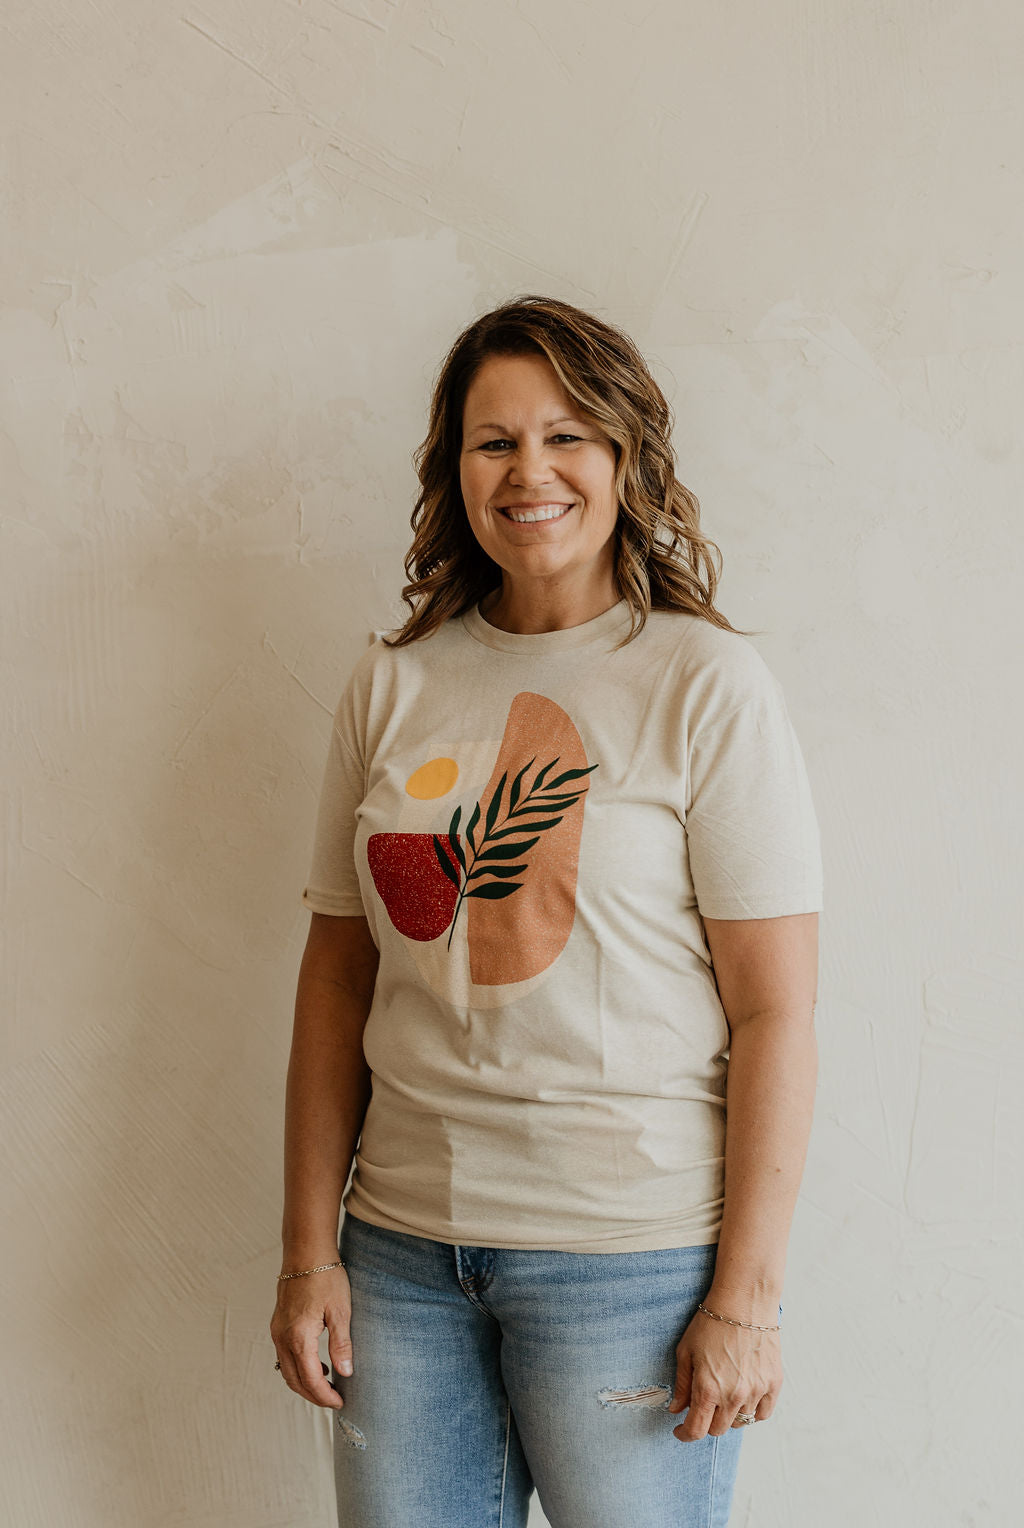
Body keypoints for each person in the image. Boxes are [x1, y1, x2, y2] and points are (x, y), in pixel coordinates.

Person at [270, 294, 823, 1528]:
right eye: (495, 440)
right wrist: (310, 1252)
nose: (531, 470)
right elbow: (336, 979)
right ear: (454, 468)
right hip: (400, 1261)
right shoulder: (391, 683)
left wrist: (745, 1300)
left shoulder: (705, 684)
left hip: (630, 1267)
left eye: (568, 435)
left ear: (626, 456)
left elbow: (776, 1011)